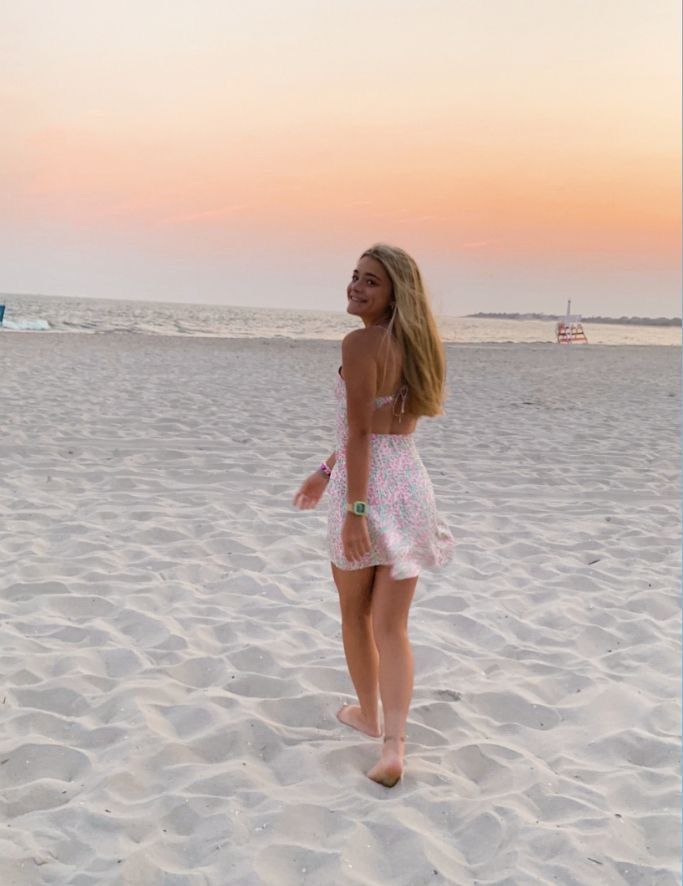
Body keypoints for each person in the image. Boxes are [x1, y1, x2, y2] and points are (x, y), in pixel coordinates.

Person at [293, 243, 455, 787]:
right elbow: (380, 429)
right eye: (355, 276)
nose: (356, 287)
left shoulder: (360, 343)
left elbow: (362, 433)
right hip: (409, 484)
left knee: (355, 616)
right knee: (393, 626)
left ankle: (368, 715)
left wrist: (355, 510)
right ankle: (395, 744)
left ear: (394, 294)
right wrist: (323, 468)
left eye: (371, 282)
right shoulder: (420, 345)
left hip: (366, 489)